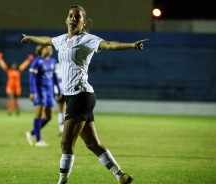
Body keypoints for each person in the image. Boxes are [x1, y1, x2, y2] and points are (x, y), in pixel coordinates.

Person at [21, 5, 149, 184]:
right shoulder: (62, 40)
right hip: (77, 97)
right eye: (70, 16)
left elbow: (109, 45)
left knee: (66, 144)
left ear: (83, 22)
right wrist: (30, 38)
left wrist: (131, 45)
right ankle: (120, 175)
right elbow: (47, 40)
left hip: (81, 96)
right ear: (66, 20)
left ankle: (62, 182)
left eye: (77, 17)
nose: (73, 19)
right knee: (92, 144)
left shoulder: (87, 39)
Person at [26, 44, 61, 146]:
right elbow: (32, 78)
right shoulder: (37, 62)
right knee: (39, 114)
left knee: (49, 116)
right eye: (47, 47)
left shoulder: (53, 61)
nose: (49, 49)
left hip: (49, 91)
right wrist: (33, 92)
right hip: (39, 90)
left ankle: (31, 133)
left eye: (50, 47)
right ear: (41, 49)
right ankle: (38, 140)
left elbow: (54, 77)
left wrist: (58, 90)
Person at [54, 63, 66, 136]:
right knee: (61, 110)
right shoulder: (57, 66)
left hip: (66, 91)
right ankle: (61, 129)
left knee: (64, 110)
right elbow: (55, 80)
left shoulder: (68, 65)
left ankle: (64, 129)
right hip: (58, 92)